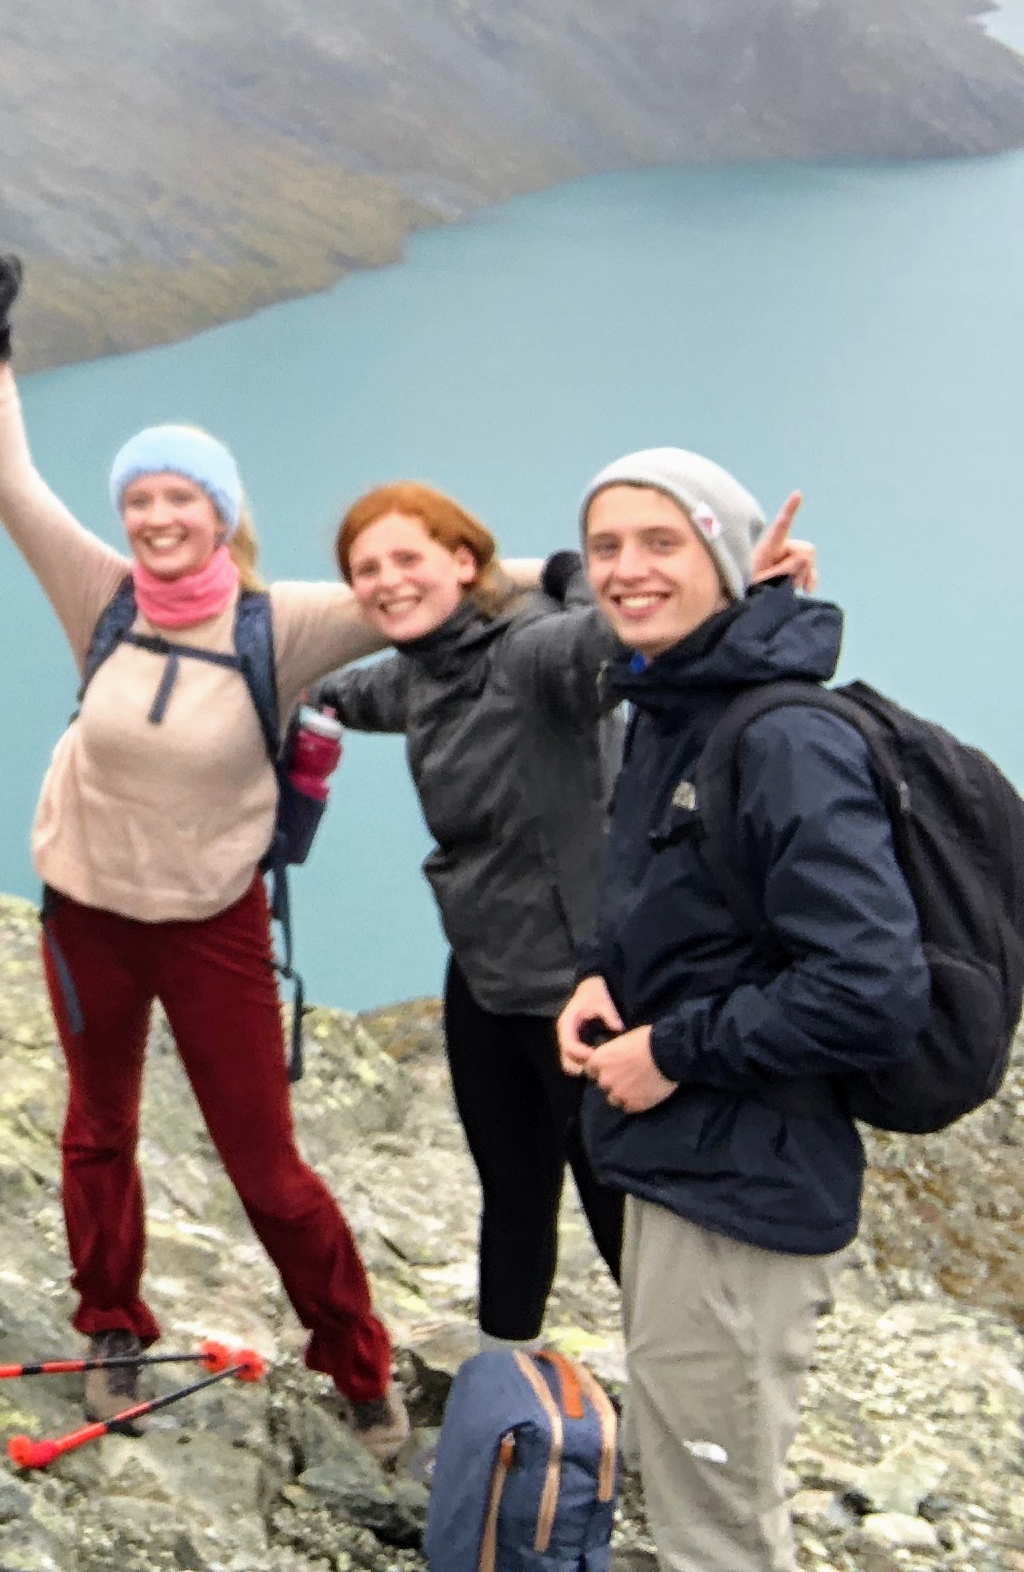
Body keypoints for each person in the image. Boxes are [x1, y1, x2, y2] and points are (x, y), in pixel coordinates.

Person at [0, 252, 407, 1459]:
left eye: (181, 499)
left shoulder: (280, 622)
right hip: (84, 911)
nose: (157, 519)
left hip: (214, 923)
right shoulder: (98, 594)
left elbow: (423, 586)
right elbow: (7, 482)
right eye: (141, 500)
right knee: (96, 1128)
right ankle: (111, 1321)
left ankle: (358, 1364)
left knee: (266, 1167)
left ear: (221, 511)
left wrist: (574, 582)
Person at [557, 452, 923, 1572]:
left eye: (663, 542)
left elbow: (872, 986)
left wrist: (670, 1046)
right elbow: (686, 899)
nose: (626, 569)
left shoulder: (779, 739)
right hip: (693, 1163)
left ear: (721, 559)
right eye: (607, 545)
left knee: (718, 1524)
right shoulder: (671, 702)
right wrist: (597, 973)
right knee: (691, 1481)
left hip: (742, 1188)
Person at [310, 486, 632, 1354]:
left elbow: (615, 633)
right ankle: (503, 1384)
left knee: (622, 1206)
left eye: (408, 558)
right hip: (487, 972)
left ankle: (681, 1414)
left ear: (464, 561)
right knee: (514, 1194)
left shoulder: (535, 652)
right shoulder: (425, 671)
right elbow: (341, 691)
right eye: (365, 570)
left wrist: (568, 570)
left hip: (584, 984)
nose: (386, 582)